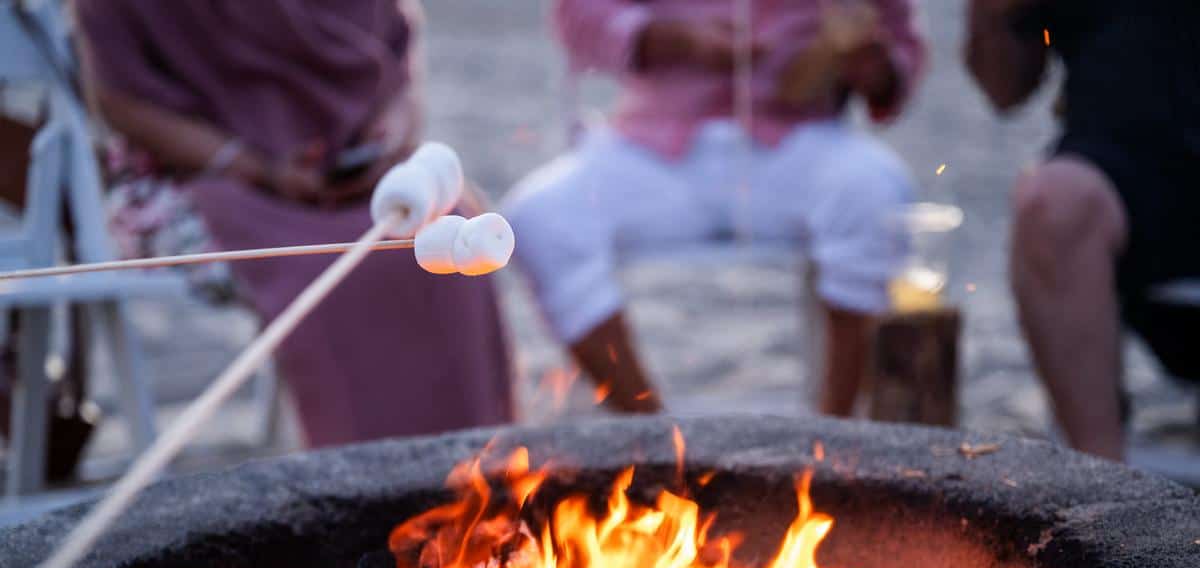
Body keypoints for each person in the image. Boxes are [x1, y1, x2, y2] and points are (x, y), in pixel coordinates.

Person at [73, 0, 513, 447]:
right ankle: (363, 477)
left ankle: (473, 466)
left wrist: (389, 134)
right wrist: (256, 168)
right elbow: (120, 99)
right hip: (204, 172)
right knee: (333, 268)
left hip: (354, 165)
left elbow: (397, 66)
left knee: (452, 230)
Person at [503, 0, 925, 415]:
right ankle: (656, 439)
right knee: (539, 218)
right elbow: (575, 13)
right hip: (655, 143)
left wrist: (873, 67)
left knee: (876, 193)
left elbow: (901, 53)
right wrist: (668, 40)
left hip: (797, 138)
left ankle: (832, 439)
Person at [966, 0, 1200, 460]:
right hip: (1123, 184)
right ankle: (1101, 488)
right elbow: (1004, 89)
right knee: (1052, 203)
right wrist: (992, 17)